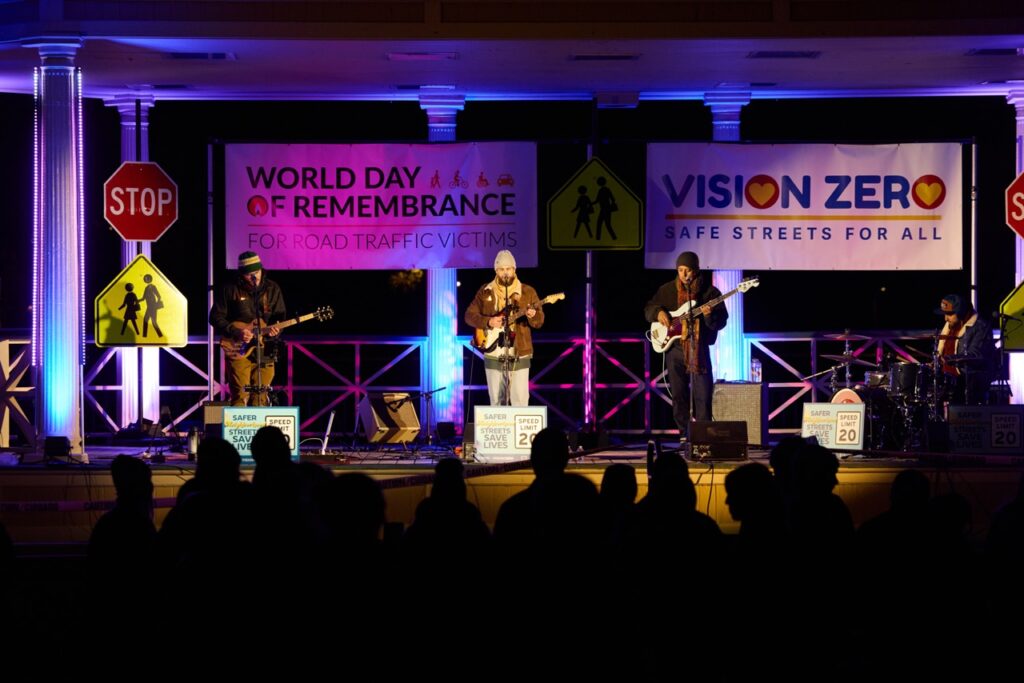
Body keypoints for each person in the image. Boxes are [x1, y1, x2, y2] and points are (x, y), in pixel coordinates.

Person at [644, 251, 728, 443]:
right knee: (679, 394)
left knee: (703, 393)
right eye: (680, 270)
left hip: (699, 348)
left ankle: (704, 435)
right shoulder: (666, 290)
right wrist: (658, 313)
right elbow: (648, 308)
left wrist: (708, 316)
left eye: (688, 270)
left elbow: (721, 322)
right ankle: (683, 433)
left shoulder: (710, 293)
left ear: (696, 270)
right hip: (675, 350)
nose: (684, 275)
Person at [465, 250, 545, 406]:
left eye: (508, 268)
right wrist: (488, 322)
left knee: (520, 399)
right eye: (501, 269)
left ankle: (518, 429)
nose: (505, 273)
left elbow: (539, 321)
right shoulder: (485, 291)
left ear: (514, 269)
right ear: (496, 271)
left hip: (520, 351)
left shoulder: (527, 292)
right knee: (496, 400)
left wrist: (532, 315)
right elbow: (469, 315)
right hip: (493, 351)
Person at [209, 251, 287, 406]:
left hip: (265, 347)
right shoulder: (229, 289)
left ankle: (261, 430)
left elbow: (280, 316)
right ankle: (240, 429)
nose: (254, 277)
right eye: (249, 274)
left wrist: (276, 329)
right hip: (239, 348)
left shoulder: (272, 288)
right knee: (241, 393)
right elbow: (215, 317)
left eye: (257, 272)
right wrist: (236, 331)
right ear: (241, 274)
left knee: (261, 394)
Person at [935, 293, 996, 405]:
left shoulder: (980, 326)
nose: (945, 318)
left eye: (949, 314)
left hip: (969, 382)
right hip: (949, 380)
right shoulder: (951, 324)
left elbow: (976, 354)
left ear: (961, 313)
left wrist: (949, 359)